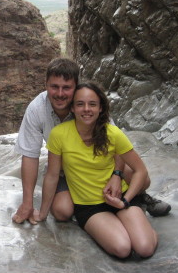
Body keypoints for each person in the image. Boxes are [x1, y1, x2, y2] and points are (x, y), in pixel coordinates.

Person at [12, 58, 170, 224]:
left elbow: (115, 143)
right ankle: (86, 204)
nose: (60, 93)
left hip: (100, 167)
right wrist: (27, 203)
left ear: (76, 86)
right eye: (54, 87)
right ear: (46, 84)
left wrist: (116, 174)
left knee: (142, 180)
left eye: (66, 87)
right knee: (62, 212)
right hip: (66, 170)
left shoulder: (89, 106)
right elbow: (30, 155)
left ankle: (139, 197)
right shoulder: (37, 109)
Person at [35, 81, 158, 258]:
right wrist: (42, 214)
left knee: (145, 248)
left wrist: (125, 201)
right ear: (72, 109)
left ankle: (144, 228)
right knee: (122, 249)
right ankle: (128, 226)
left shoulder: (112, 133)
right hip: (89, 206)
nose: (86, 109)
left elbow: (141, 170)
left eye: (92, 104)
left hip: (119, 198)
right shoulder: (59, 135)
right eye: (80, 104)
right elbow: (53, 175)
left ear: (100, 108)